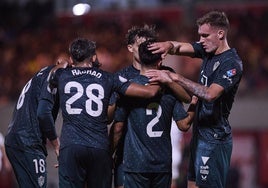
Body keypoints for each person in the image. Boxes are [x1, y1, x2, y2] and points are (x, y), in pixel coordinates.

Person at [37, 38, 162, 188]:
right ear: (94, 58)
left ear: (71, 59)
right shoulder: (108, 77)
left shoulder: (62, 75)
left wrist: (63, 64)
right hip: (99, 147)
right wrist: (165, 78)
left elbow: (52, 74)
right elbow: (149, 92)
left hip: (71, 146)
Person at [146, 11, 243, 188]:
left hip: (215, 137)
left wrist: (175, 78)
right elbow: (180, 47)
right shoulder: (207, 51)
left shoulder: (232, 63)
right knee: (192, 184)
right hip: (200, 133)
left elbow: (210, 94)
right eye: (199, 35)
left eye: (205, 35)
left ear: (220, 34)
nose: (201, 40)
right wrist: (168, 45)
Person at [108, 25, 191, 188]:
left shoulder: (165, 72)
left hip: (144, 159)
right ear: (130, 48)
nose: (147, 48)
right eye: (141, 45)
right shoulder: (122, 76)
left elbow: (184, 98)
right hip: (127, 154)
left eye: (149, 45)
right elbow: (114, 122)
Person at [4, 54, 69, 187]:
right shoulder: (55, 76)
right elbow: (43, 113)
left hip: (14, 139)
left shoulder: (41, 74)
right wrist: (57, 145)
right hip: (29, 141)